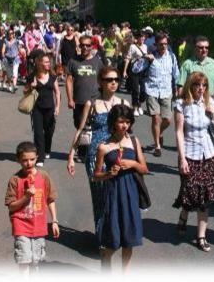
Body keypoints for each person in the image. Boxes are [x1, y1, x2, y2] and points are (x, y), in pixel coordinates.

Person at [66, 66, 129, 234]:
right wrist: (71, 156)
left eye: (116, 80)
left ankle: (114, 232)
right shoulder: (92, 104)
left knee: (116, 196)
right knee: (99, 196)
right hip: (95, 156)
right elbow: (80, 130)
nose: (113, 83)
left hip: (117, 155)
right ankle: (101, 236)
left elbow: (128, 134)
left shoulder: (124, 104)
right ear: (101, 82)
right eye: (109, 80)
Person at [94, 104, 148, 272]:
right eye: (120, 121)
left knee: (129, 236)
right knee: (113, 236)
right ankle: (106, 265)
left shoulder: (134, 141)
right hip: (113, 193)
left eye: (127, 122)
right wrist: (109, 173)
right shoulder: (104, 146)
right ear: (113, 122)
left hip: (130, 192)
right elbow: (96, 176)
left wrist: (132, 163)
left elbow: (144, 169)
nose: (125, 125)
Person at [173, 72, 214, 252]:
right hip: (190, 155)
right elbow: (178, 132)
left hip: (209, 154)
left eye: (204, 86)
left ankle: (201, 236)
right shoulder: (181, 105)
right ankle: (184, 214)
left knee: (206, 196)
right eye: (197, 85)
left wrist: (213, 115)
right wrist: (182, 158)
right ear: (190, 87)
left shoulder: (211, 103)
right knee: (190, 191)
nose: (201, 89)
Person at [5, 141, 59, 275]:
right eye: (24, 160)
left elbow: (50, 199)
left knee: (36, 263)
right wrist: (26, 197)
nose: (29, 163)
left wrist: (54, 221)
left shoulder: (44, 176)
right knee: (24, 262)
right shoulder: (15, 180)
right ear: (18, 160)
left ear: (37, 158)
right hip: (21, 225)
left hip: (39, 227)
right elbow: (11, 206)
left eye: (32, 159)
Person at [66, 35, 105, 161]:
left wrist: (105, 97)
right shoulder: (73, 61)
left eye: (88, 45)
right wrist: (70, 99)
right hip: (79, 100)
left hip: (95, 100)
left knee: (94, 126)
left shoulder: (97, 61)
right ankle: (83, 152)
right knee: (79, 126)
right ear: (79, 46)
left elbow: (104, 79)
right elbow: (69, 80)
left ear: (91, 46)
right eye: (82, 45)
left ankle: (92, 152)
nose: (85, 47)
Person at [143, 32, 179, 157]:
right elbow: (135, 69)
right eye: (161, 44)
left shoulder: (172, 57)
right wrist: (145, 60)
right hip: (151, 90)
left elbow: (176, 75)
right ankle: (157, 146)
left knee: (168, 120)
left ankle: (159, 132)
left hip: (166, 91)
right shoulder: (151, 57)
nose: (164, 46)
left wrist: (178, 89)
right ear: (156, 45)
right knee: (155, 118)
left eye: (165, 44)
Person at [24, 53, 61, 166]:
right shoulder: (32, 76)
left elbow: (57, 92)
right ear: (39, 63)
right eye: (45, 62)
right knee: (38, 133)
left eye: (49, 62)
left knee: (49, 132)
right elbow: (25, 92)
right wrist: (31, 87)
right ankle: (40, 157)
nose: (48, 64)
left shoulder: (52, 76)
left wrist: (58, 106)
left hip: (50, 108)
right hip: (37, 109)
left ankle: (47, 149)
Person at [176, 35, 214, 106]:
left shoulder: (213, 63)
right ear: (195, 48)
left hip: (210, 103)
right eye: (201, 47)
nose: (204, 50)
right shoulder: (187, 64)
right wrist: (182, 105)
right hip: (193, 104)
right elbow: (180, 88)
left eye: (206, 47)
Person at [123, 30, 148, 116]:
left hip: (143, 70)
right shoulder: (133, 47)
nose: (143, 38)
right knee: (135, 90)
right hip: (134, 71)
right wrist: (125, 71)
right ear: (137, 38)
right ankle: (135, 107)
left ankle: (140, 105)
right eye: (141, 37)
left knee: (144, 91)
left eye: (144, 37)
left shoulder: (145, 46)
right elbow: (128, 58)